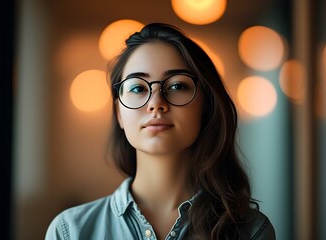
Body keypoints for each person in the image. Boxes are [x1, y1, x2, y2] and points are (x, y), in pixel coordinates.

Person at [46, 23, 275, 240]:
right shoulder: (70, 231)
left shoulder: (251, 231)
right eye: (137, 88)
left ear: (205, 107)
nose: (156, 103)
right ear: (119, 113)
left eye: (177, 86)